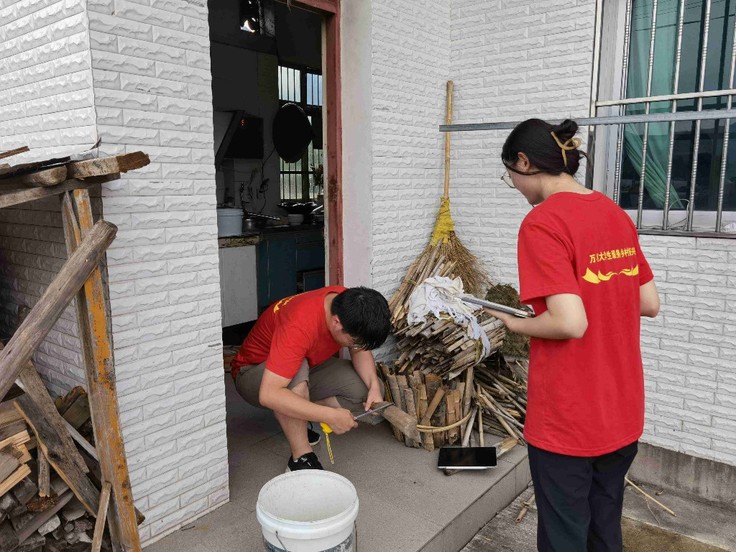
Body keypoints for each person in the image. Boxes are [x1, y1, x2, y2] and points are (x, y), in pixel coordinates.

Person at [485, 118, 660, 551]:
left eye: (510, 176)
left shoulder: (543, 222)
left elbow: (570, 323)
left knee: (564, 535)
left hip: (570, 415)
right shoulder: (612, 213)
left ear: (524, 162)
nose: (515, 186)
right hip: (621, 407)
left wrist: (516, 323)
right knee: (604, 527)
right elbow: (649, 302)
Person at [231, 286, 391, 471]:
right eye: (354, 342)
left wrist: (374, 386)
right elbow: (269, 394)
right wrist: (329, 415)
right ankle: (301, 457)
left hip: (303, 365)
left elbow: (359, 350)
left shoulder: (350, 302)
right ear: (336, 322)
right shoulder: (298, 324)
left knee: (365, 390)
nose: (356, 346)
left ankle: (295, 412)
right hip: (253, 375)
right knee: (295, 368)